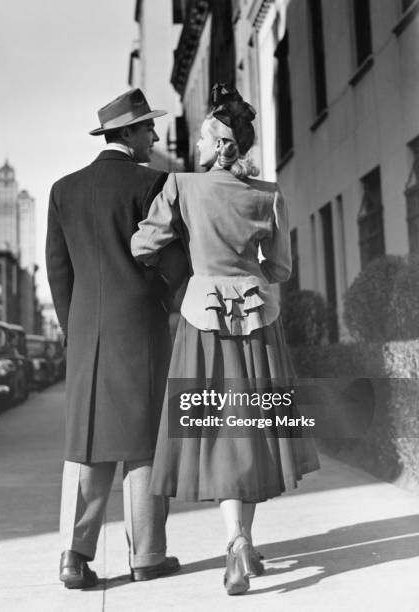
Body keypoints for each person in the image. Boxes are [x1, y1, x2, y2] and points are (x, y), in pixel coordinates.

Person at [131, 84, 320, 596]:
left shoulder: (181, 187)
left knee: (217, 429)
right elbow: (279, 267)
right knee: (255, 430)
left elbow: (143, 244)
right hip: (259, 322)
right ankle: (246, 544)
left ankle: (236, 541)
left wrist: (190, 270)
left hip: (203, 321)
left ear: (213, 143)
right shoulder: (268, 193)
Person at [46, 88, 185, 589]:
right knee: (144, 440)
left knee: (87, 442)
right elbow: (172, 263)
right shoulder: (153, 184)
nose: (154, 134)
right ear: (126, 133)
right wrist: (177, 308)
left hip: (85, 330)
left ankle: (74, 555)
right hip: (141, 326)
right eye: (148, 127)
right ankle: (147, 556)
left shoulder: (63, 189)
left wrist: (74, 329)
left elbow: (58, 272)